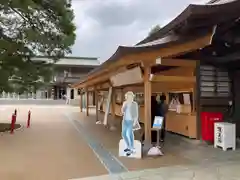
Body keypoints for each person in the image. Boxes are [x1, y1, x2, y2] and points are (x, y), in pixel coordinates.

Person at [121, 91, 139, 156]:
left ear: (132, 97)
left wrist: (135, 122)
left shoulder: (134, 104)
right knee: (123, 133)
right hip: (125, 121)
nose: (129, 98)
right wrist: (124, 106)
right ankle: (128, 146)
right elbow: (122, 111)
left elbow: (136, 114)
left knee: (129, 133)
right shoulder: (124, 103)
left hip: (131, 121)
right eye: (128, 97)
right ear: (126, 97)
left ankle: (131, 148)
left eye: (130, 96)